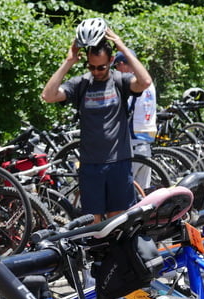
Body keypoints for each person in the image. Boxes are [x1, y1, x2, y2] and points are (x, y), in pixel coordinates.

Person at [41, 20, 153, 221]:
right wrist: (69, 61)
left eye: (101, 67)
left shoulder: (120, 81)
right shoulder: (81, 84)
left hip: (118, 162)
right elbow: (48, 95)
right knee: (94, 223)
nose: (96, 72)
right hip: (90, 165)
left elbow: (145, 81)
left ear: (110, 60)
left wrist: (122, 47)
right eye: (91, 67)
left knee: (117, 221)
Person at [113, 49, 157, 189]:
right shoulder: (147, 82)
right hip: (147, 140)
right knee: (142, 192)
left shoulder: (133, 84)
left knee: (123, 189)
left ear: (122, 64)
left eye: (116, 66)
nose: (117, 70)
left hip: (133, 142)